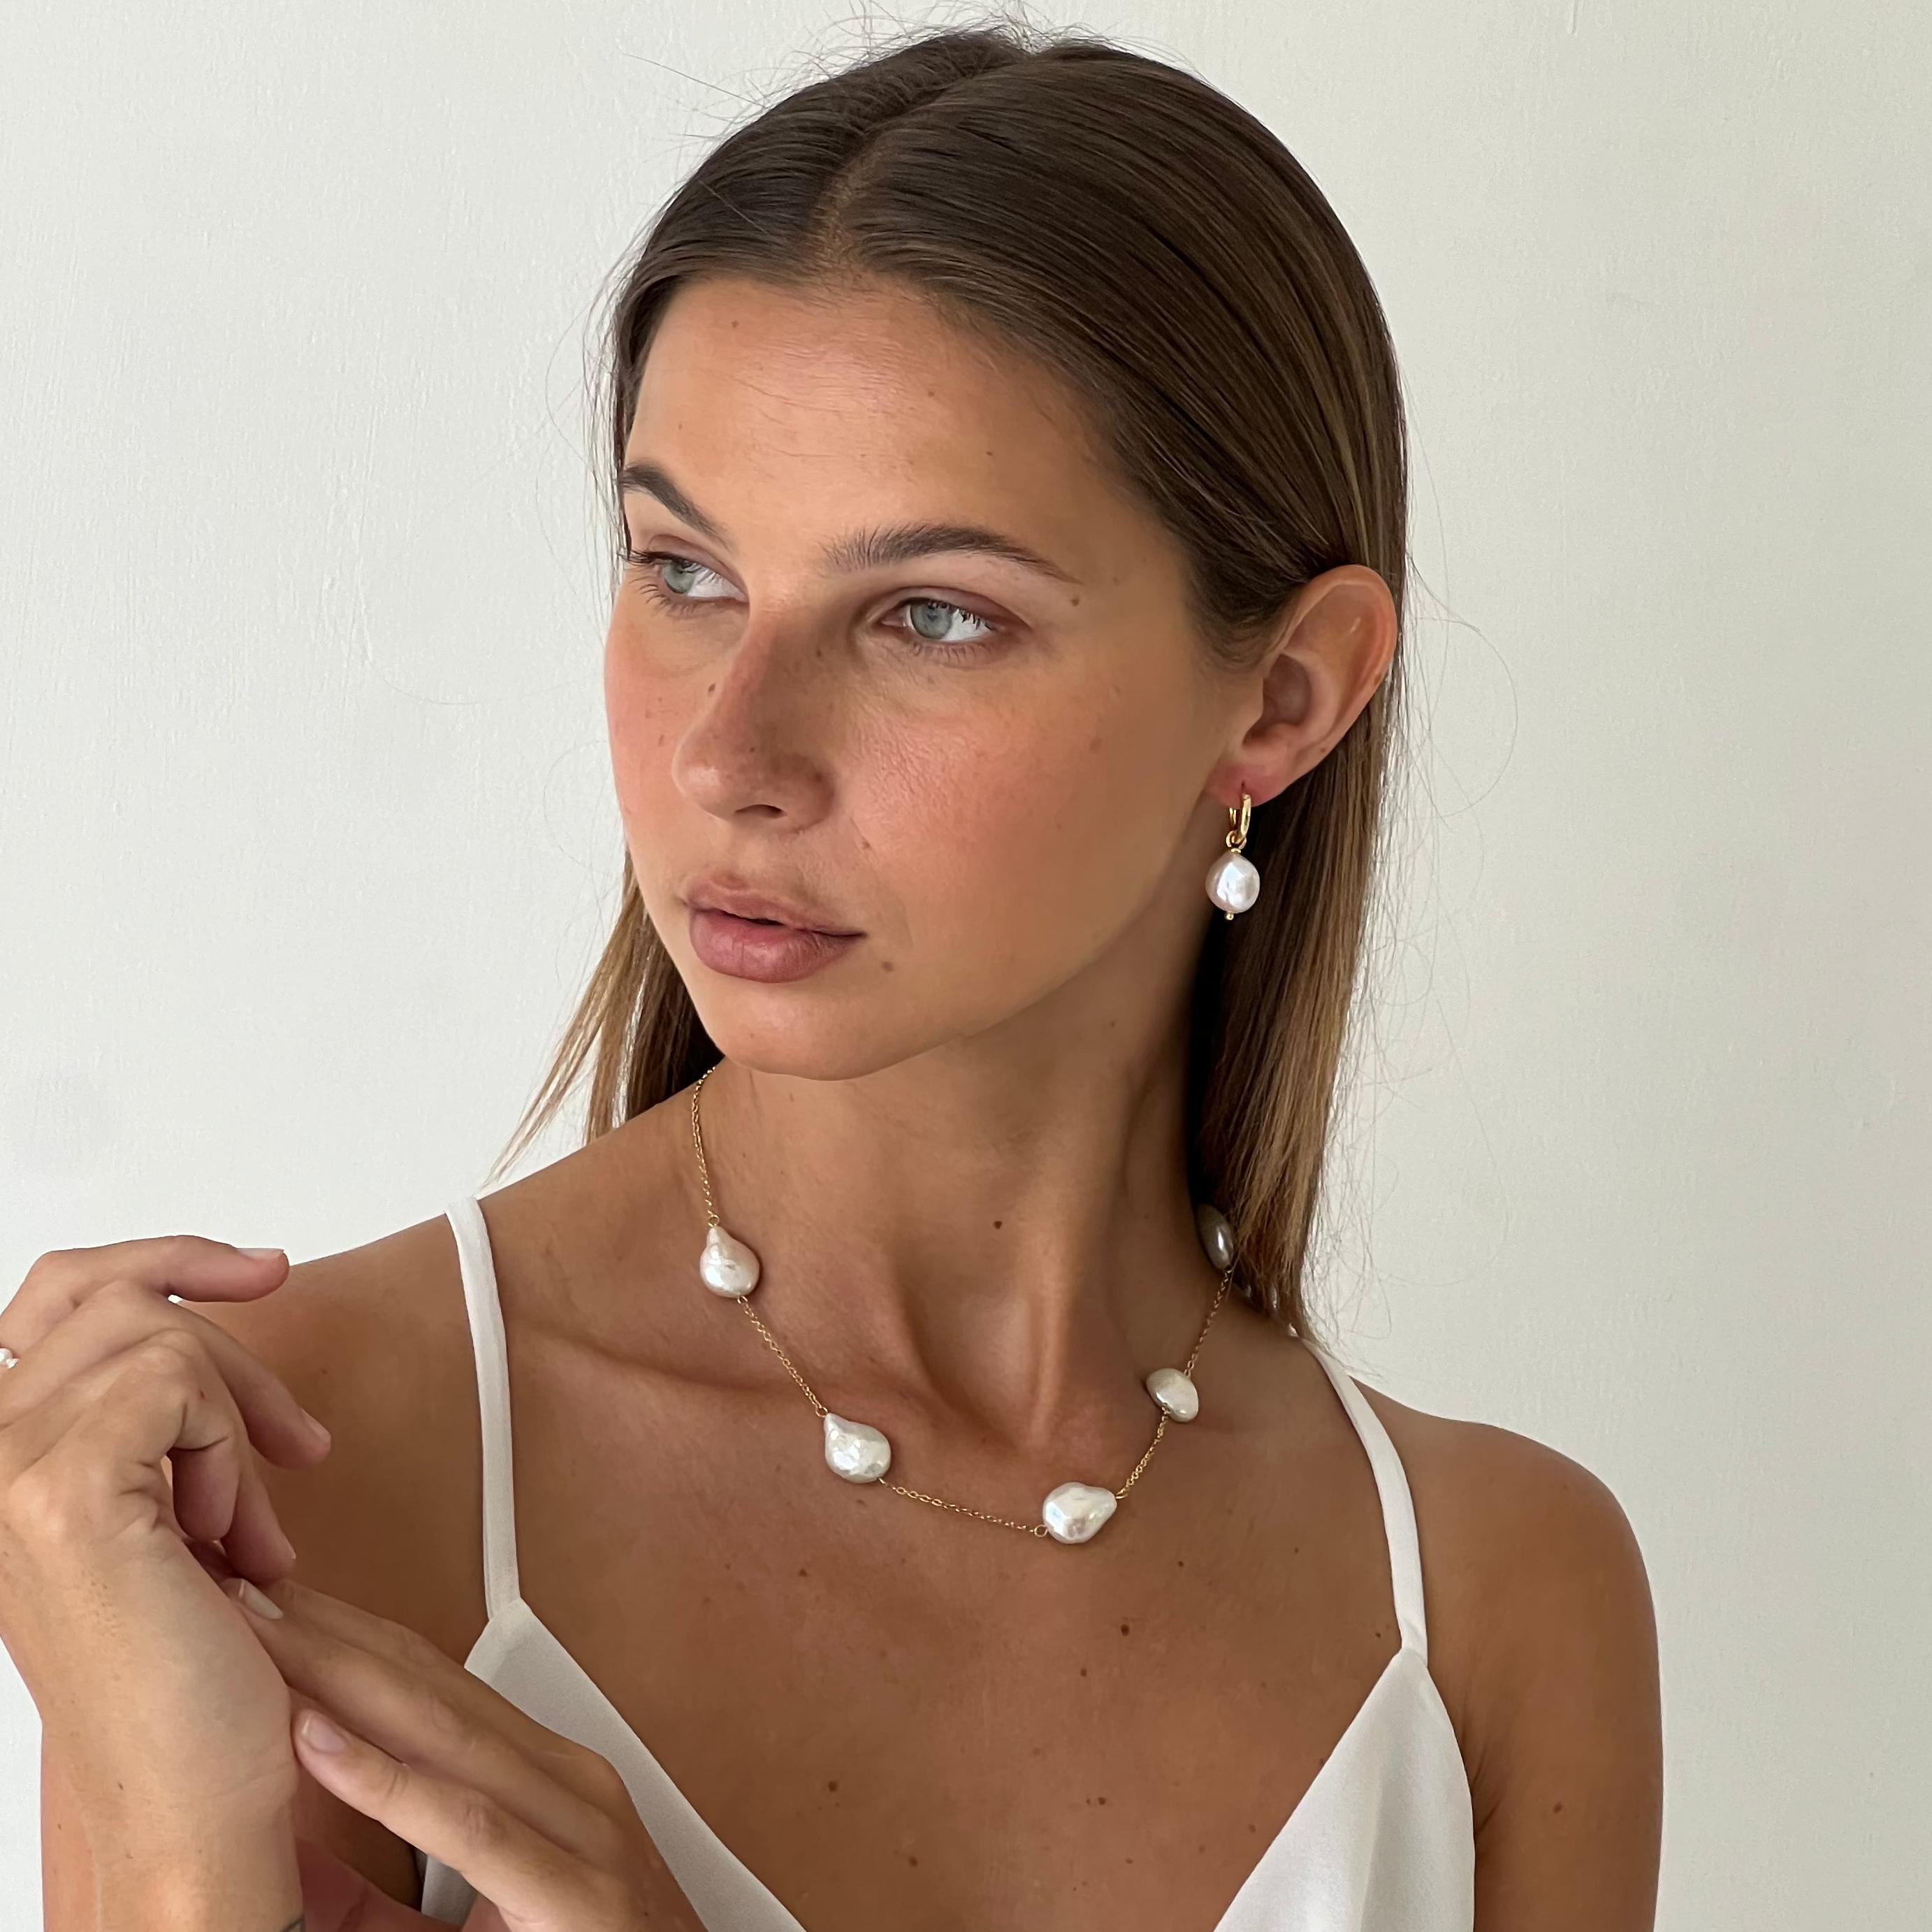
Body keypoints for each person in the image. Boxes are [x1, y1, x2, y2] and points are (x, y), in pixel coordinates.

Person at [0, 21, 1662, 1931]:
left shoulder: (1486, 1597)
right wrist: (171, 1855)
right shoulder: (299, 1463)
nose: (730, 753)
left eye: (929, 613)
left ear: (1283, 693)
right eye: (682, 570)